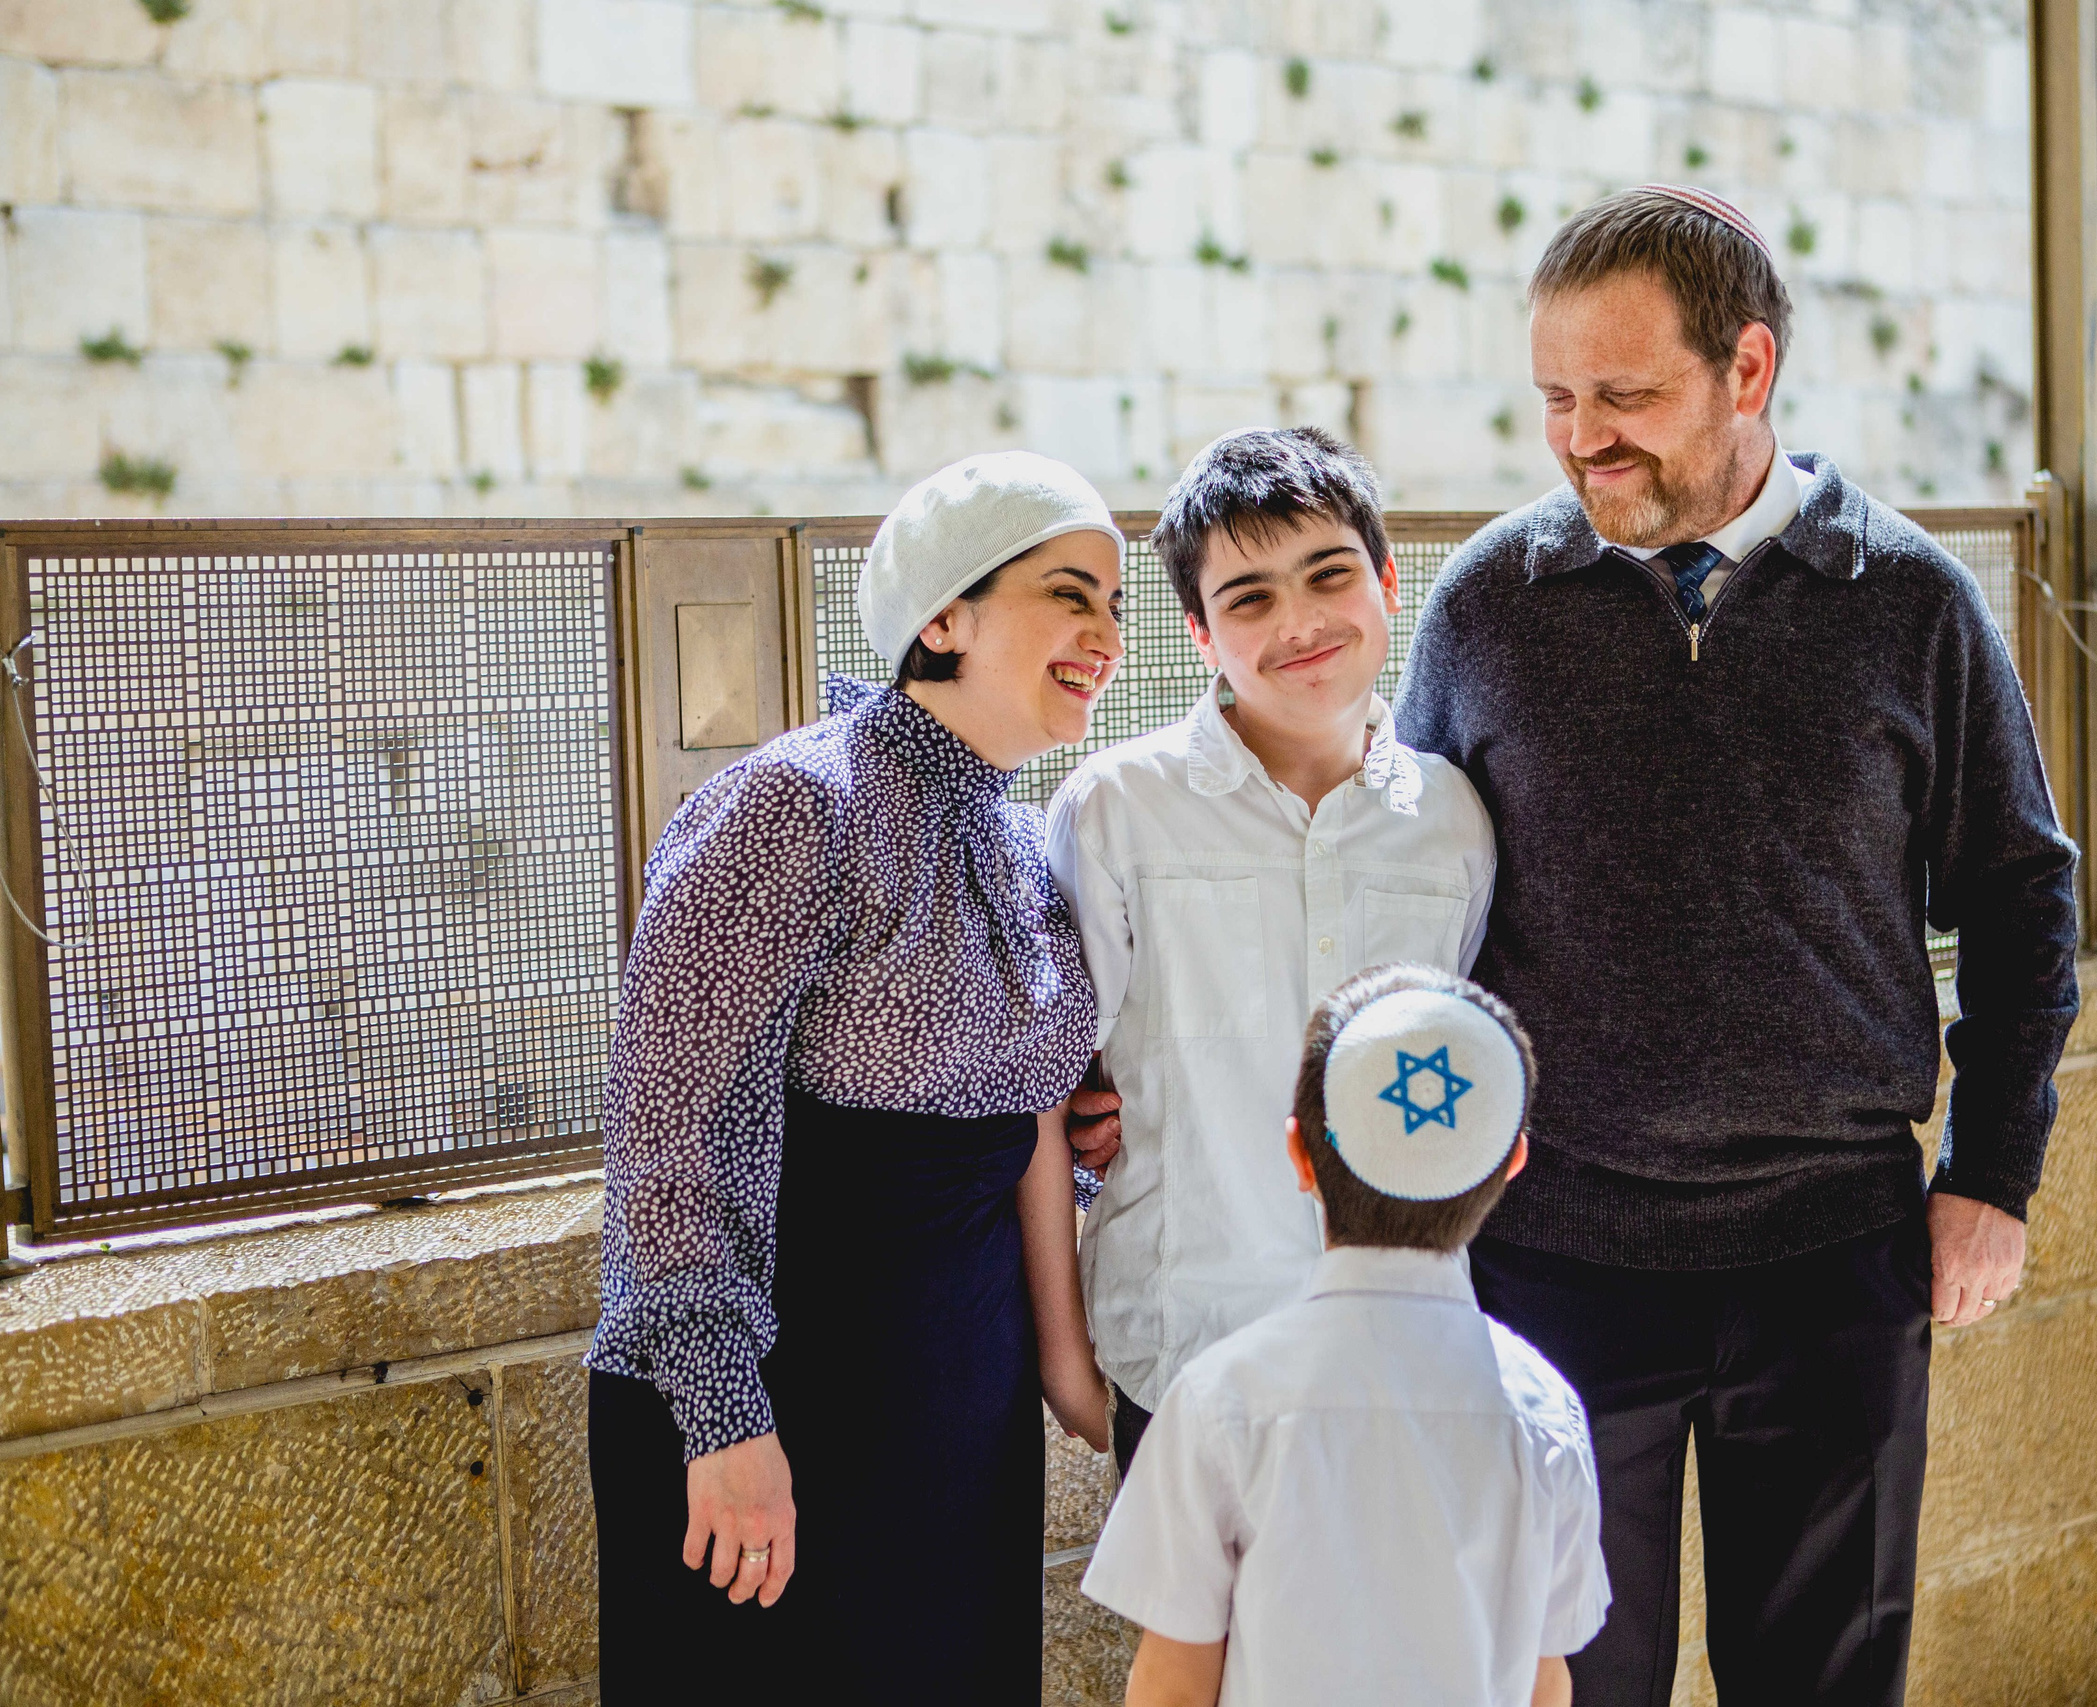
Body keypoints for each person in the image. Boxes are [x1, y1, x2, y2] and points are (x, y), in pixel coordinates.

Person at [1396, 185, 2081, 1706]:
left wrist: (1991, 1171)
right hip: (1552, 1259)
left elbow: (2023, 893)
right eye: (1557, 398)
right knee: (1564, 1685)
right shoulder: (1488, 605)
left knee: (1828, 1681)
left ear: (1749, 372)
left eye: (1627, 396)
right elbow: (1388, 903)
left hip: (1834, 1256)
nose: (1582, 438)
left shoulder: (1910, 601)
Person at [584, 452, 1122, 1702]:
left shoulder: (1019, 839)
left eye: (1111, 603)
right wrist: (724, 1424)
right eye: (1067, 594)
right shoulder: (793, 804)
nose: (1102, 633)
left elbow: (1012, 1113)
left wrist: (1087, 1125)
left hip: (955, 1408)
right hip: (778, 1403)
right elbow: (668, 1131)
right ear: (943, 617)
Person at [1045, 427, 1496, 1474]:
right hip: (1186, 1355)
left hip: (1402, 1351)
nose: (1297, 623)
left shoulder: (1454, 820)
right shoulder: (1116, 812)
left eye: (1328, 574)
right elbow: (1054, 1085)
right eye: (1247, 598)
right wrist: (1068, 1365)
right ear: (1201, 635)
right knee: (1190, 1647)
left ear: (1387, 582)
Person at [1082, 963, 1608, 1707]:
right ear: (1512, 1162)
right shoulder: (1546, 1416)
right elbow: (1544, 1682)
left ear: (1299, 1154)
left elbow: (1172, 1687)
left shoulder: (1217, 1402)